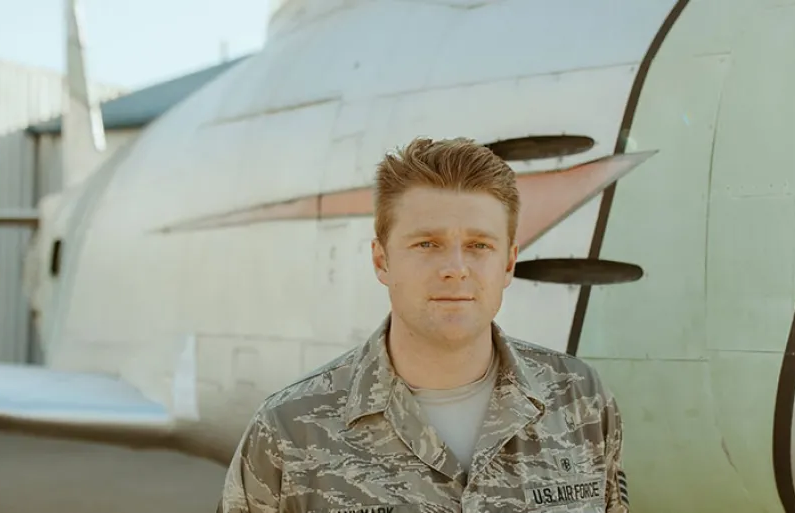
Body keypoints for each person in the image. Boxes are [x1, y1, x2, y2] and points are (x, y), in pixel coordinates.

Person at [217, 136, 629, 513]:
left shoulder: (581, 403)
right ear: (382, 260)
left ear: (507, 263)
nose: (455, 268)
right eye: (426, 244)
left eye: (478, 246)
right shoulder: (290, 432)